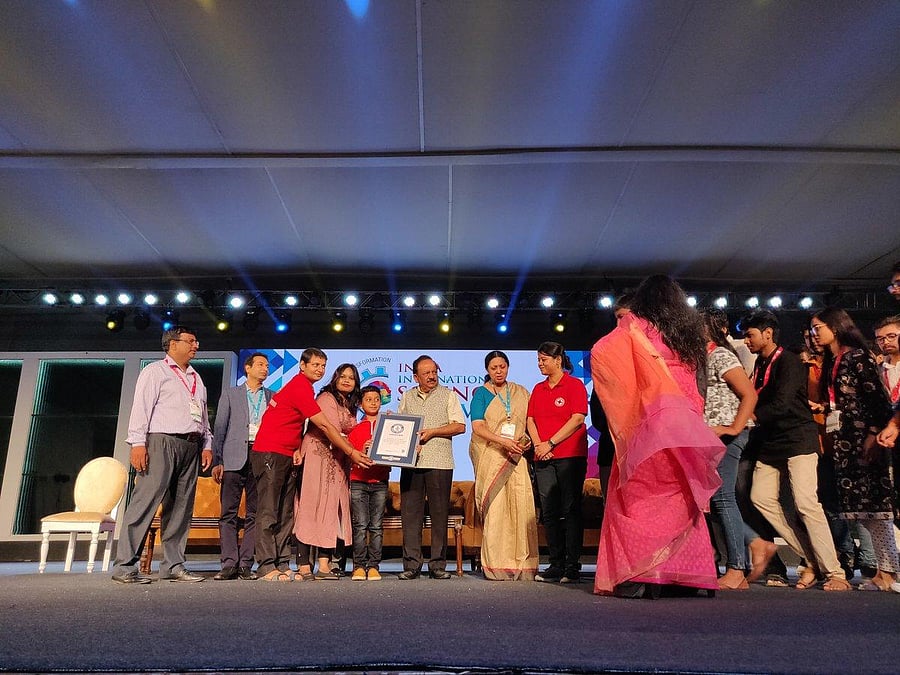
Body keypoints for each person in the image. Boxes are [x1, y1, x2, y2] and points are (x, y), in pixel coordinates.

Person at [592, 275, 724, 598]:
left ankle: (640, 576)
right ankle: (686, 577)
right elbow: (699, 389)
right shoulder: (690, 336)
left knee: (637, 501)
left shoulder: (636, 330)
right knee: (681, 503)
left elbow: (602, 351)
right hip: (684, 435)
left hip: (649, 434)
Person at [742, 310, 850, 591]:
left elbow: (782, 403)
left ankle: (835, 572)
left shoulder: (788, 361)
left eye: (750, 334)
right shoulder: (759, 363)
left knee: (806, 504)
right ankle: (812, 558)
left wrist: (746, 418)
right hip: (772, 443)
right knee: (760, 497)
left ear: (768, 334)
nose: (746, 340)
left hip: (798, 439)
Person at [250, 348, 373, 582]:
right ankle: (266, 566)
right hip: (270, 451)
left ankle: (282, 563)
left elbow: (297, 424)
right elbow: (325, 427)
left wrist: (297, 447)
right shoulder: (299, 387)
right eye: (315, 364)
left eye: (322, 366)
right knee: (268, 511)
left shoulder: (308, 388)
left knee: (286, 512)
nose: (319, 369)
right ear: (302, 366)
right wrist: (351, 452)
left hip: (288, 453)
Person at [111, 326, 213, 584]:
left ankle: (173, 565)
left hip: (191, 445)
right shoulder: (155, 372)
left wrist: (208, 444)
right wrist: (137, 443)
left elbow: (202, 416)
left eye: (196, 341)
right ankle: (125, 566)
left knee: (181, 509)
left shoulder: (196, 378)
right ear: (172, 344)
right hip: (161, 441)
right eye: (190, 341)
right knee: (145, 503)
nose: (196, 345)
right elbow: (141, 408)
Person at [811, 308, 898, 592]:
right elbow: (846, 401)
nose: (814, 334)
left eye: (818, 327)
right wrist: (824, 408)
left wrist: (873, 435)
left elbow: (879, 401)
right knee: (862, 511)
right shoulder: (834, 360)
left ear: (834, 328)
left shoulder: (858, 357)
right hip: (844, 442)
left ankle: (888, 572)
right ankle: (883, 572)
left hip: (865, 441)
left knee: (877, 509)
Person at [700, 309, 771, 590]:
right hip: (713, 437)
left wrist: (733, 428)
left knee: (723, 499)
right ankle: (754, 545)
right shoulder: (705, 358)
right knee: (717, 501)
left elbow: (749, 394)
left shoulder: (721, 355)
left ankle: (737, 568)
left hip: (727, 436)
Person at [468, 350, 538, 580]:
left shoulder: (520, 392)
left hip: (517, 458)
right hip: (493, 457)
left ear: (508, 367)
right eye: (493, 368)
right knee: (497, 511)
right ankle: (497, 565)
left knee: (520, 507)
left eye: (502, 367)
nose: (498, 371)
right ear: (487, 370)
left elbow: (529, 424)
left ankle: (523, 565)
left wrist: (525, 442)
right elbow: (478, 427)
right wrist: (502, 441)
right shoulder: (481, 394)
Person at [397, 355, 466, 580]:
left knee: (439, 515)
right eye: (426, 373)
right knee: (411, 516)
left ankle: (437, 565)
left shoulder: (448, 395)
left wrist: (433, 431)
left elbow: (460, 426)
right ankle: (411, 565)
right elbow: (401, 426)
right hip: (411, 463)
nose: (431, 375)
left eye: (434, 371)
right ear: (416, 376)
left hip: (440, 462)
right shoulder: (407, 396)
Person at [527, 341, 589, 584]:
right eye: (538, 360)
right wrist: (539, 444)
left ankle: (572, 565)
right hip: (542, 456)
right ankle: (555, 562)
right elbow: (530, 419)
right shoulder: (538, 388)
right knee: (549, 511)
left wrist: (550, 443)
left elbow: (577, 419)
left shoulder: (574, 385)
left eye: (544, 360)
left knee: (570, 509)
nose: (541, 364)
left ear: (558, 360)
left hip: (569, 456)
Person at [294, 363, 361, 580]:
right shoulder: (326, 398)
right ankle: (303, 564)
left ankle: (324, 564)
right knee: (310, 507)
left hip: (338, 461)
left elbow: (351, 432)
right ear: (335, 378)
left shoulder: (349, 404)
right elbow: (330, 430)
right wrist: (352, 451)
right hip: (317, 457)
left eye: (351, 378)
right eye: (343, 376)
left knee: (331, 509)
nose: (347, 380)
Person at [211, 352, 272, 581]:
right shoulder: (231, 394)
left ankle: (246, 563)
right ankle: (229, 563)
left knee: (255, 514)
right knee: (228, 512)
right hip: (233, 457)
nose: (264, 369)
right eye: (260, 365)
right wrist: (218, 461)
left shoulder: (272, 396)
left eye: (266, 365)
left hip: (260, 456)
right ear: (247, 368)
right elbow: (220, 429)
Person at [590, 294, 632, 500]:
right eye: (617, 317)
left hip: (641, 450)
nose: (619, 323)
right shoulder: (604, 358)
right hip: (610, 447)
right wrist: (614, 429)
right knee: (611, 504)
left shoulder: (655, 353)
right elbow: (596, 413)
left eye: (623, 316)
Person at [348, 385, 391, 581]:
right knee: (360, 526)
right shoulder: (355, 429)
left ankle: (374, 566)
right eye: (368, 399)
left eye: (376, 399)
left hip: (380, 481)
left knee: (376, 526)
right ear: (360, 403)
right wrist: (363, 449)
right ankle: (358, 566)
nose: (373, 402)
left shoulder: (389, 426)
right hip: (358, 482)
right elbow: (350, 456)